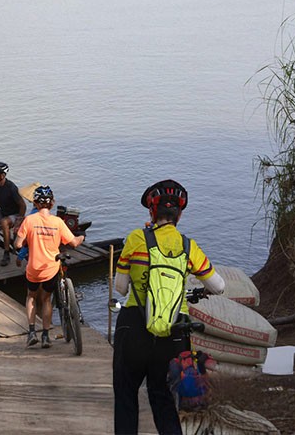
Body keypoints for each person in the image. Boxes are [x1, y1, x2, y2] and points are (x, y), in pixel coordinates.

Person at [112, 179, 226, 435]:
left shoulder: (136, 238)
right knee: (163, 398)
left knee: (126, 395)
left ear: (152, 212)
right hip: (173, 332)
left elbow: (120, 288)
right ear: (179, 214)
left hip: (134, 326)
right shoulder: (188, 246)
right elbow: (219, 287)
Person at [14, 185, 84, 348]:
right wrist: (81, 237)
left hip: (33, 268)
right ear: (52, 203)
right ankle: (45, 336)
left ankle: (32, 332)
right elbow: (73, 243)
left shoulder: (29, 220)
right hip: (50, 268)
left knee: (31, 297)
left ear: (35, 203)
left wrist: (26, 241)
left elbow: (17, 244)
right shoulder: (58, 222)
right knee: (46, 299)